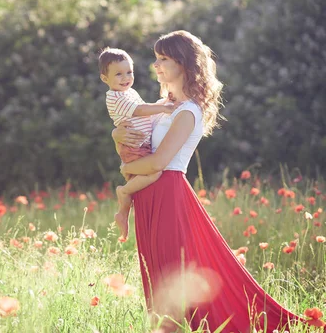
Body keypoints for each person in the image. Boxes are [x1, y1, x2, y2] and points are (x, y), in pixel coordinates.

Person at [112, 30, 318, 332]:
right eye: (156, 59)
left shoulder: (188, 111)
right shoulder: (163, 105)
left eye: (163, 59)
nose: (155, 65)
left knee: (171, 275)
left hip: (168, 194)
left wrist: (123, 174)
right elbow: (132, 139)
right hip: (148, 195)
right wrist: (116, 134)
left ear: (182, 63)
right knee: (156, 277)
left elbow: (158, 161)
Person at [98, 47, 178, 240]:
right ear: (104, 79)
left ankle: (123, 212)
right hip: (133, 146)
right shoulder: (115, 97)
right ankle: (123, 193)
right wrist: (165, 108)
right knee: (153, 172)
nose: (126, 77)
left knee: (140, 181)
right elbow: (141, 111)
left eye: (129, 72)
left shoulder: (128, 92)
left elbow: (146, 112)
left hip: (139, 144)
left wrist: (162, 104)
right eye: (118, 74)